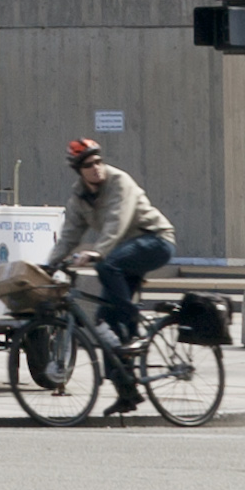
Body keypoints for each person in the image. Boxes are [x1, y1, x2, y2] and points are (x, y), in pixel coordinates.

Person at [50, 138, 173, 355]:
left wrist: (97, 252)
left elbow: (118, 221)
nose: (96, 168)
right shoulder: (79, 198)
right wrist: (49, 265)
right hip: (125, 252)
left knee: (106, 266)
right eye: (88, 165)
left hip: (155, 240)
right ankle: (125, 383)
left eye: (98, 161)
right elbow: (69, 236)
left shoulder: (119, 182)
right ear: (79, 170)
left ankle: (134, 330)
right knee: (105, 322)